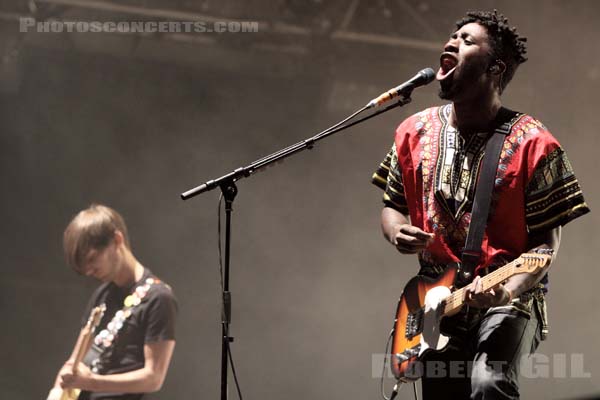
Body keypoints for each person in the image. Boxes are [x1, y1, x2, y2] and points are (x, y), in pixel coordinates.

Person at [372, 10, 589, 399]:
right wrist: (396, 231)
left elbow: (545, 247)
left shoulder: (535, 144)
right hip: (434, 299)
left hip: (509, 296)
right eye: (452, 36)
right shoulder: (413, 131)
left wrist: (507, 291)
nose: (452, 42)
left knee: (490, 383)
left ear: (494, 68)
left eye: (468, 40)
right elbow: (392, 205)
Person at [47, 204, 178, 400]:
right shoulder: (103, 295)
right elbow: (75, 361)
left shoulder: (159, 298)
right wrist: (56, 392)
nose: (89, 271)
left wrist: (91, 381)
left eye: (92, 259)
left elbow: (153, 378)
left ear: (117, 240)